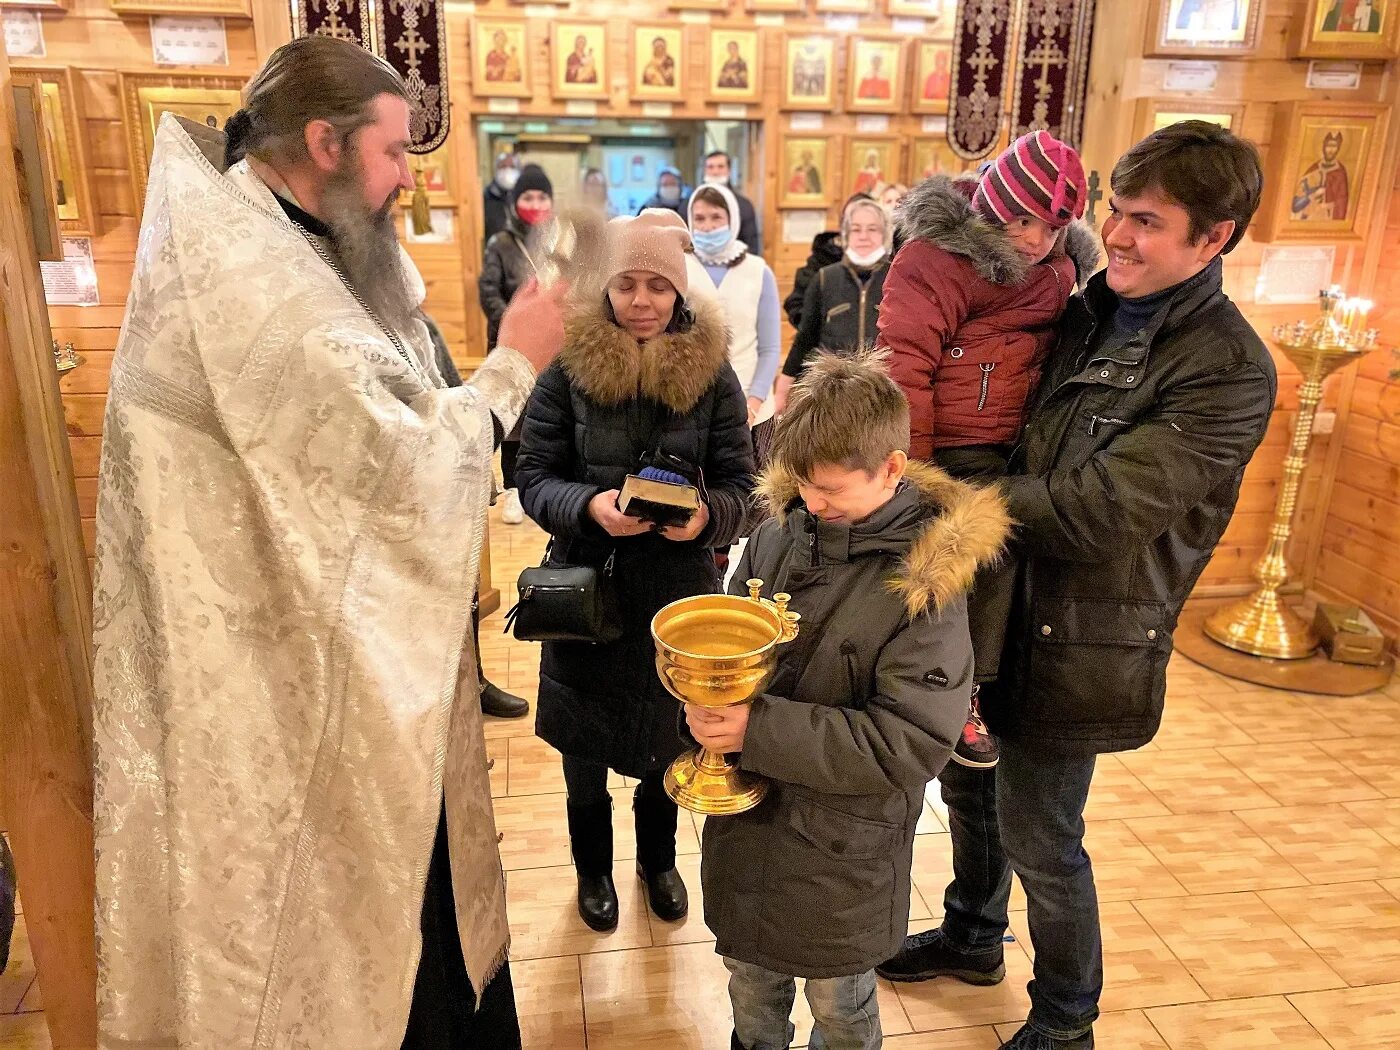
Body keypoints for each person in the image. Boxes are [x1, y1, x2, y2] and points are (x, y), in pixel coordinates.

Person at [91, 35, 570, 1050]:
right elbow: (400, 476)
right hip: (291, 681)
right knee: (359, 927)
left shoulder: (285, 236)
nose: (407, 178)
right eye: (395, 153)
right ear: (324, 141)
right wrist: (514, 364)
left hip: (336, 641)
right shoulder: (265, 283)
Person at [878, 121, 1277, 1050]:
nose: (1117, 236)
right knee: (970, 790)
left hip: (1083, 631)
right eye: (1114, 212)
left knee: (1043, 836)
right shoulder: (1089, 304)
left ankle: (1065, 1020)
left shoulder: (1224, 366)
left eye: (1146, 220)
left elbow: (1099, 510)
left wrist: (935, 497)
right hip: (999, 603)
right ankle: (975, 936)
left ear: (1213, 237)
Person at [687, 351, 1009, 1050]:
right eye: (802, 483)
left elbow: (910, 742)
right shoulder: (776, 534)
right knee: (751, 988)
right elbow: (736, 642)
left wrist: (755, 727)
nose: (813, 501)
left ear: (892, 468)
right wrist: (704, 693)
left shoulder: (926, 586)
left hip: (843, 854)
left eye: (831, 487)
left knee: (840, 1006)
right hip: (749, 836)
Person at [515, 210, 756, 933]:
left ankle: (658, 861)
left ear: (681, 293)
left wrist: (706, 517)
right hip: (587, 591)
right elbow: (531, 477)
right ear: (605, 286)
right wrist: (590, 507)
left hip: (677, 594)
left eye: (658, 285)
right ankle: (592, 871)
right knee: (583, 752)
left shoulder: (713, 378)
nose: (643, 300)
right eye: (628, 283)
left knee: (665, 739)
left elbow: (745, 489)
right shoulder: (567, 369)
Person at [878, 131, 1099, 770]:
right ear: (995, 204)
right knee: (981, 547)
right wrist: (912, 466)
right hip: (953, 442)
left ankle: (976, 683)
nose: (1034, 239)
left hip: (1023, 439)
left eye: (1052, 226)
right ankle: (958, 691)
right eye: (1022, 219)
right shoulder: (935, 259)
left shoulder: (1062, 270)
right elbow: (904, 364)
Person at [480, 164, 554, 525]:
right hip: (511, 343)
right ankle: (513, 491)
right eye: (529, 196)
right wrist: (518, 321)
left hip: (552, 348)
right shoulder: (502, 244)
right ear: (515, 201)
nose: (536, 203)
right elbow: (488, 292)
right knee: (514, 421)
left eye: (542, 196)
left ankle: (541, 486)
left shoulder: (558, 243)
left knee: (546, 416)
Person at [776, 195, 893, 411]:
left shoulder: (896, 277)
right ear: (846, 236)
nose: (864, 236)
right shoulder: (824, 279)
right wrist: (784, 386)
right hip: (831, 396)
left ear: (885, 235)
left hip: (882, 396)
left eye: (872, 229)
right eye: (856, 229)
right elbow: (805, 339)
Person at [688, 184, 781, 421]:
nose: (707, 226)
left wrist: (753, 403)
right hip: (693, 400)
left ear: (732, 220)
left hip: (751, 396)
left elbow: (770, 349)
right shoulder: (681, 267)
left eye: (716, 217)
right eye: (699, 218)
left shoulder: (758, 271)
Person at [703, 150, 761, 255]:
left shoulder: (744, 206)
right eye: (710, 167)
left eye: (720, 167)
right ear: (705, 171)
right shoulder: (689, 205)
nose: (715, 172)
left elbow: (751, 246)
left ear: (729, 170)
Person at [1291, 131, 1349, 221]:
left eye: (1334, 146)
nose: (1330, 150)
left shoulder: (1340, 172)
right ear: (1323, 147)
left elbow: (1342, 201)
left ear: (1338, 148)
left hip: (1327, 217)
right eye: (1328, 146)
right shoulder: (1314, 168)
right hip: (1309, 215)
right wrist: (1313, 195)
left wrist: (1326, 206)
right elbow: (1298, 198)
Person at [482, 149, 519, 248]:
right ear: (496, 170)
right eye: (503, 166)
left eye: (512, 167)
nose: (507, 171)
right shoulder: (485, 198)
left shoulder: (522, 198)